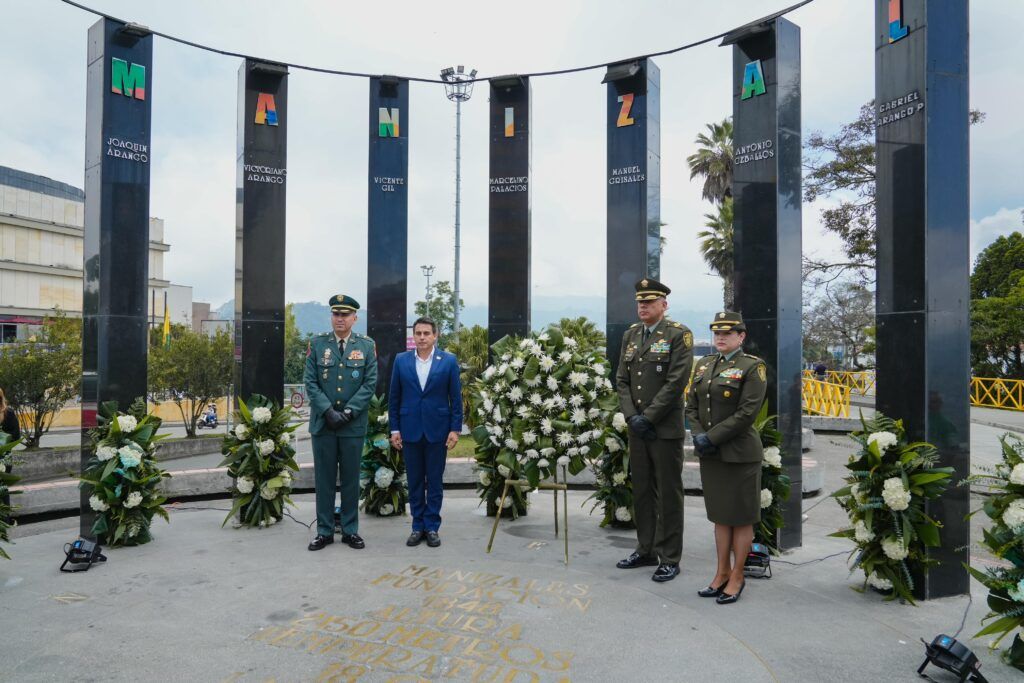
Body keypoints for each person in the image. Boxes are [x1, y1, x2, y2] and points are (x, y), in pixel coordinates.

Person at [614, 278, 694, 582]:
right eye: (640, 302)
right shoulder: (631, 335)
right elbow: (622, 378)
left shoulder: (678, 335)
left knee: (669, 494)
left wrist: (648, 417)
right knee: (643, 491)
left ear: (664, 305)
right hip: (638, 427)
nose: (643, 307)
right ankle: (645, 548)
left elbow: (677, 381)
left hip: (663, 429)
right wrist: (632, 416)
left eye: (649, 302)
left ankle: (670, 556)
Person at [686, 312, 768, 605]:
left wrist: (712, 437)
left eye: (728, 333)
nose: (720, 337)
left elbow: (747, 412)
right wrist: (698, 435)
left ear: (741, 336)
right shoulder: (705, 365)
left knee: (741, 518)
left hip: (739, 454)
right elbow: (691, 405)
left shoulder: (752, 367)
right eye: (717, 333)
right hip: (711, 453)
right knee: (720, 517)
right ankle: (720, 573)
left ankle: (737, 576)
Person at [304, 294, 378, 551]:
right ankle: (324, 531)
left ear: (355, 318)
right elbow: (310, 383)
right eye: (336, 314)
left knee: (350, 480)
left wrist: (347, 412)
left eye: (345, 315)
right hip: (323, 425)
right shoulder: (317, 343)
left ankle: (350, 530)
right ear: (331, 316)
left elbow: (369, 384)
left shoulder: (366, 346)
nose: (340, 319)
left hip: (352, 426)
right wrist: (327, 411)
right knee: (324, 480)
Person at [388, 317, 463, 548]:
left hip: (437, 431)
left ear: (435, 336)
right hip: (410, 431)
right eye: (418, 333)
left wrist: (455, 429)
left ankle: (432, 527)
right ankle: (417, 526)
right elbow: (394, 398)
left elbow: (456, 399)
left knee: (435, 481)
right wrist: (395, 428)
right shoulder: (401, 361)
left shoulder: (448, 361)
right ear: (413, 336)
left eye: (426, 333)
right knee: (415, 481)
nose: (421, 337)